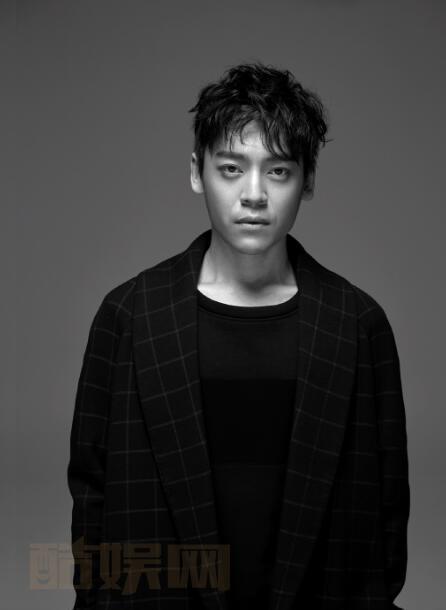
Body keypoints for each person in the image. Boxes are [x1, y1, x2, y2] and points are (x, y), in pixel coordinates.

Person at [67, 62, 410, 610]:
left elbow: (387, 506)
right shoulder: (130, 315)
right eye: (231, 168)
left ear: (308, 181)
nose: (254, 195)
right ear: (196, 173)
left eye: (278, 171)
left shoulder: (357, 323)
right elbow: (92, 489)